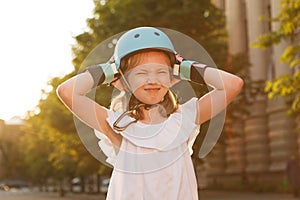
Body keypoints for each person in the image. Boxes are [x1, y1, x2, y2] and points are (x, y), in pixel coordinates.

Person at [57, 27, 244, 200]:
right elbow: (67, 91)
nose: (152, 80)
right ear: (122, 80)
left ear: (173, 78)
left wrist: (185, 67)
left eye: (161, 72)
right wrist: (112, 70)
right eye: (141, 73)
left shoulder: (185, 118)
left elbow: (231, 85)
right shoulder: (117, 126)